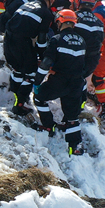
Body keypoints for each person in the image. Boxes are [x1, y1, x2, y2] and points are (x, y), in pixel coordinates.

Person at [32, 9, 87, 155]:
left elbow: (46, 63)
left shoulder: (56, 39)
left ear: (59, 22)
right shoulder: (82, 41)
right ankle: (75, 146)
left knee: (39, 98)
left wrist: (37, 81)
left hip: (59, 81)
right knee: (72, 117)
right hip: (77, 83)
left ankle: (48, 126)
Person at [4, 0, 58, 116]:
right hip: (21, 42)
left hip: (8, 38)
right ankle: (20, 104)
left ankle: (14, 95)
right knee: (31, 73)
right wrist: (43, 56)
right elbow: (41, 39)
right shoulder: (46, 13)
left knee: (17, 69)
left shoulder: (28, 4)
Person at [71, 0, 105, 79]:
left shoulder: (73, 17)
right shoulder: (99, 23)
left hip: (71, 61)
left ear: (79, 0)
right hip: (89, 65)